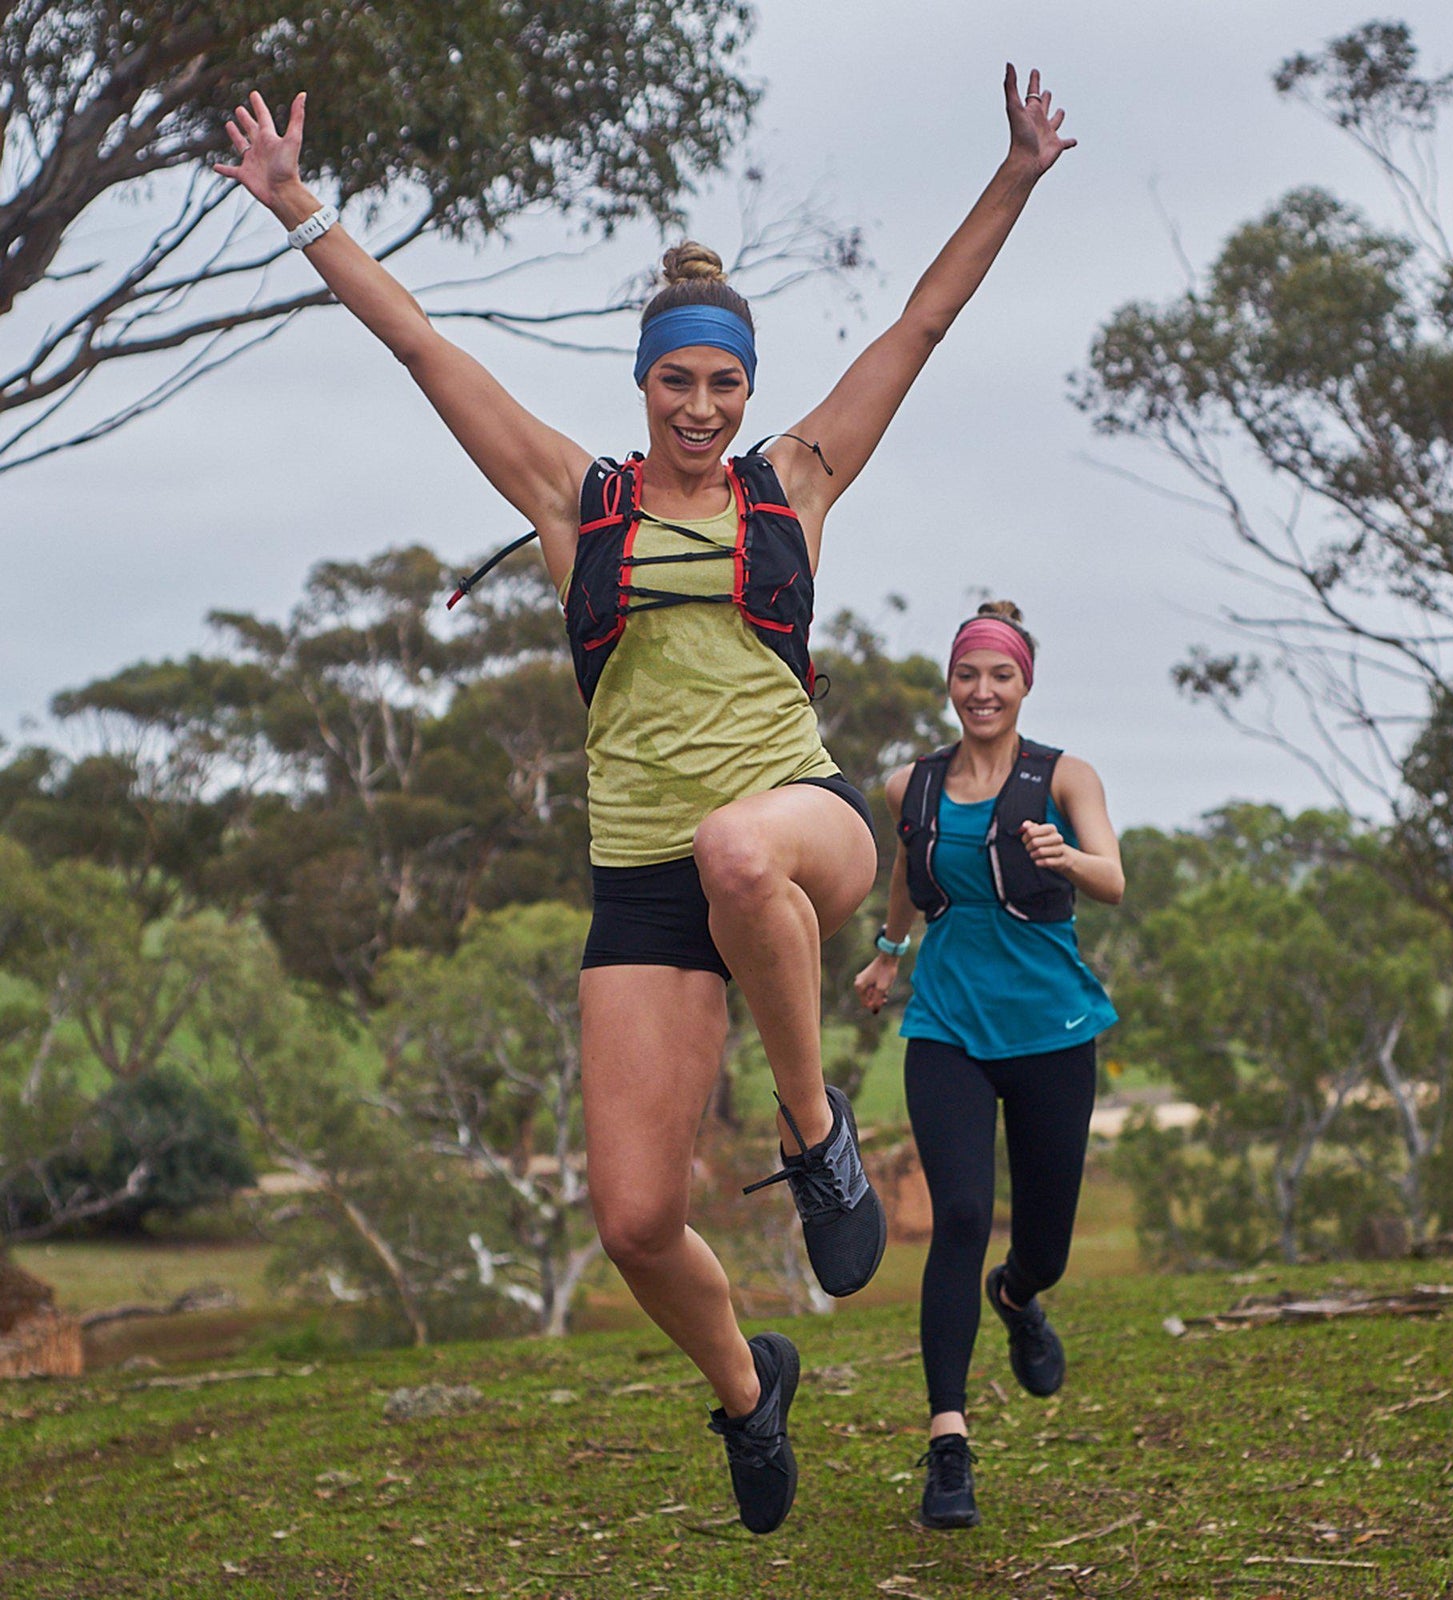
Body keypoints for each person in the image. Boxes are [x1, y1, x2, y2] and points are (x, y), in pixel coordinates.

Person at [217, 71, 1075, 1536]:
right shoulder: (576, 500)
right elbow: (425, 351)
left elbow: (920, 327)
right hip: (644, 889)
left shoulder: (792, 484)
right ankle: (753, 1389)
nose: (700, 407)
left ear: (748, 388)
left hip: (803, 828)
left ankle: (815, 1137)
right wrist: (303, 208)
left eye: (723, 383)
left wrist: (1016, 176)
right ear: (644, 383)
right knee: (632, 1218)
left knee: (739, 842)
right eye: (677, 382)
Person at [855, 601, 1123, 1530]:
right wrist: (888, 949)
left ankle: (1018, 1295)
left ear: (1024, 684)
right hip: (949, 1028)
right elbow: (907, 866)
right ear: (951, 682)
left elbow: (1115, 878)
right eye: (969, 674)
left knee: (1040, 1242)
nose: (982, 690)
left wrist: (1068, 855)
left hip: (1053, 1028)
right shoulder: (910, 786)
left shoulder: (1066, 777)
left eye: (999, 675)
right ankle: (948, 1446)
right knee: (961, 1213)